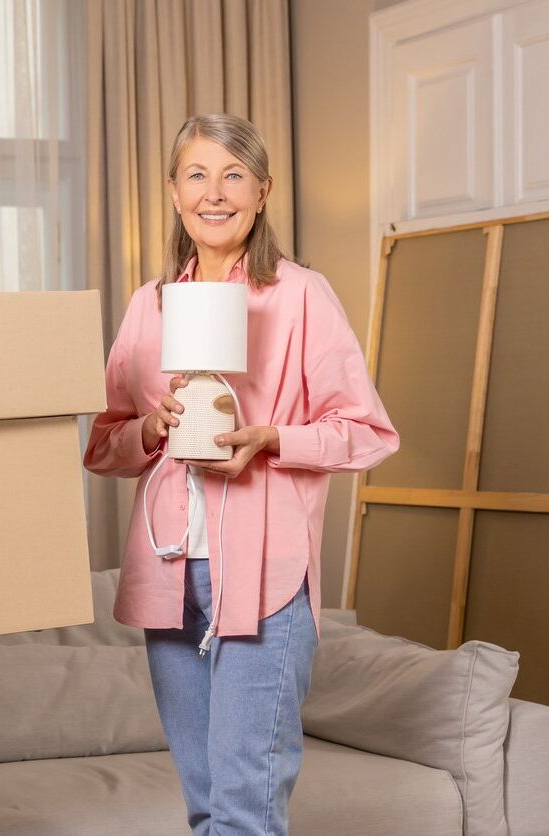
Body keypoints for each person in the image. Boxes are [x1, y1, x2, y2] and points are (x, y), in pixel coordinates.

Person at [83, 114, 399, 835]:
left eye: (232, 175)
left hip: (265, 574)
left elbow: (368, 431)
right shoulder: (149, 303)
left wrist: (271, 438)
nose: (213, 192)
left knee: (243, 810)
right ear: (172, 190)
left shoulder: (300, 296)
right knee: (206, 806)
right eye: (196, 174)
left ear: (261, 192)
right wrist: (149, 428)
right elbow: (104, 446)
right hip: (170, 575)